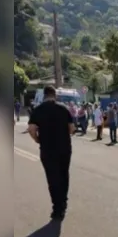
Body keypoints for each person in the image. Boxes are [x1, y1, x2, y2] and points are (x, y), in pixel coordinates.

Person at [27, 86, 75, 220]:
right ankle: (63, 202)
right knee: (64, 175)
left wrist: (38, 140)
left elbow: (31, 129)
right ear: (55, 95)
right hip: (64, 148)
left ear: (44, 95)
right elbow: (71, 128)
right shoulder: (63, 108)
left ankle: (56, 208)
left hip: (47, 149)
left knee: (52, 178)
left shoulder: (38, 110)